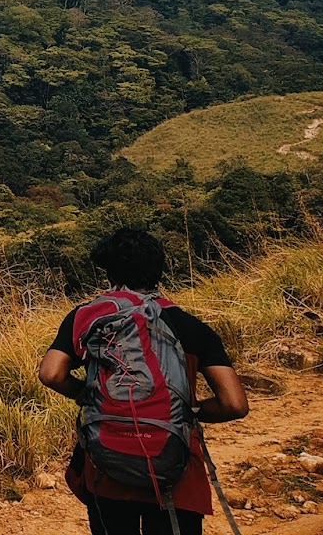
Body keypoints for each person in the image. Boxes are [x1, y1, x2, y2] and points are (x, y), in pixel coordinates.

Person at [37, 228, 250, 535]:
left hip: (107, 468)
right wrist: (186, 412)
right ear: (158, 272)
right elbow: (235, 403)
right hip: (175, 470)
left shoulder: (87, 318)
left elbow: (51, 373)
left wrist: (85, 393)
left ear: (110, 274)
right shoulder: (192, 327)